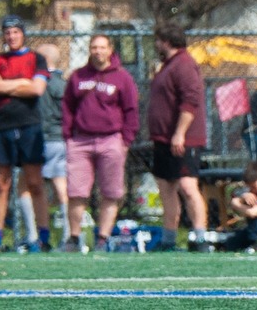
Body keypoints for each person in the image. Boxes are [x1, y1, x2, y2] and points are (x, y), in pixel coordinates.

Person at [61, 33, 138, 251]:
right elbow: (67, 106)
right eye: (94, 47)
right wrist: (68, 135)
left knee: (111, 192)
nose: (98, 51)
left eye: (102, 47)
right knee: (76, 192)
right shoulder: (79, 76)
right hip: (80, 140)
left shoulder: (122, 77)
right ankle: (74, 238)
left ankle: (102, 238)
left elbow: (131, 110)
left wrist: (126, 141)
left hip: (111, 140)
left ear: (110, 49)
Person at [0, 15, 48, 252]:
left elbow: (37, 88)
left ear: (22, 33)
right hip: (1, 126)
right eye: (7, 33)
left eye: (15, 32)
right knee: (1, 184)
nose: (11, 37)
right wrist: (22, 84)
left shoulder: (36, 58)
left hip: (29, 125)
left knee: (34, 182)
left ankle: (43, 238)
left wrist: (7, 85)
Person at [147, 23, 209, 248]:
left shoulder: (184, 64)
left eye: (158, 41)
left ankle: (201, 237)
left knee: (187, 186)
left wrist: (180, 133)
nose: (156, 45)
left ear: (165, 41)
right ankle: (169, 238)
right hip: (162, 138)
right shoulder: (167, 66)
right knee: (166, 187)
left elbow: (190, 101)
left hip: (183, 139)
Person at [35, 43, 69, 248]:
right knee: (60, 188)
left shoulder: (43, 83)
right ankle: (66, 235)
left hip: (45, 140)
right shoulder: (62, 83)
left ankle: (42, 236)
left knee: (38, 190)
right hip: (61, 139)